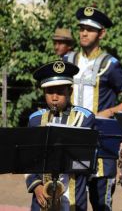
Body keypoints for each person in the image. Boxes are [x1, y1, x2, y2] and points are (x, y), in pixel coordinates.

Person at [64, 6, 122, 210]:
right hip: (71, 140)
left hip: (101, 143)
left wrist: (110, 112)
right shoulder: (67, 61)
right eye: (81, 28)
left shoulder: (111, 64)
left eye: (90, 29)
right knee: (71, 200)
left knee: (101, 202)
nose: (84, 33)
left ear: (101, 33)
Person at [26, 61, 95, 211]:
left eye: (60, 92)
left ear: (70, 92)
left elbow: (85, 161)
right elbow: (27, 159)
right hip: (42, 194)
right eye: (50, 92)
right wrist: (37, 186)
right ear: (44, 93)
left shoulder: (85, 118)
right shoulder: (35, 120)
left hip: (73, 194)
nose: (55, 98)